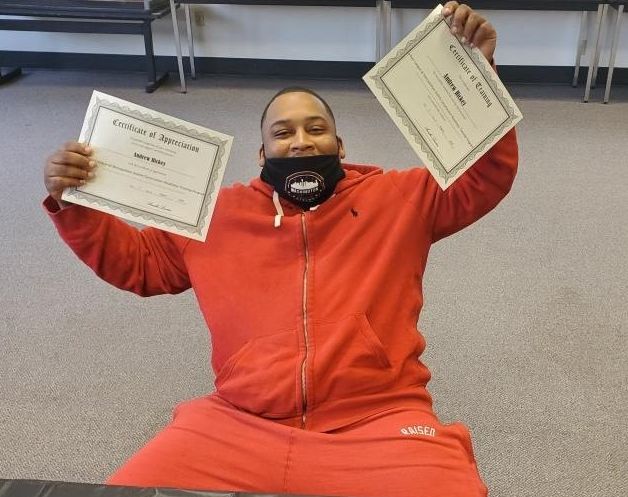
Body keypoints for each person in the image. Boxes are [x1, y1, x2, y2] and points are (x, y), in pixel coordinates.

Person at [43, 3, 518, 496]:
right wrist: (74, 203)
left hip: (379, 420)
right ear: (261, 153)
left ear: (340, 146)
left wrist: (477, 80)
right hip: (240, 422)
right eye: (283, 132)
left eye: (316, 129)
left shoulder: (398, 198)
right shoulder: (213, 213)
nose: (300, 141)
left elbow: (484, 178)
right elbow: (139, 265)